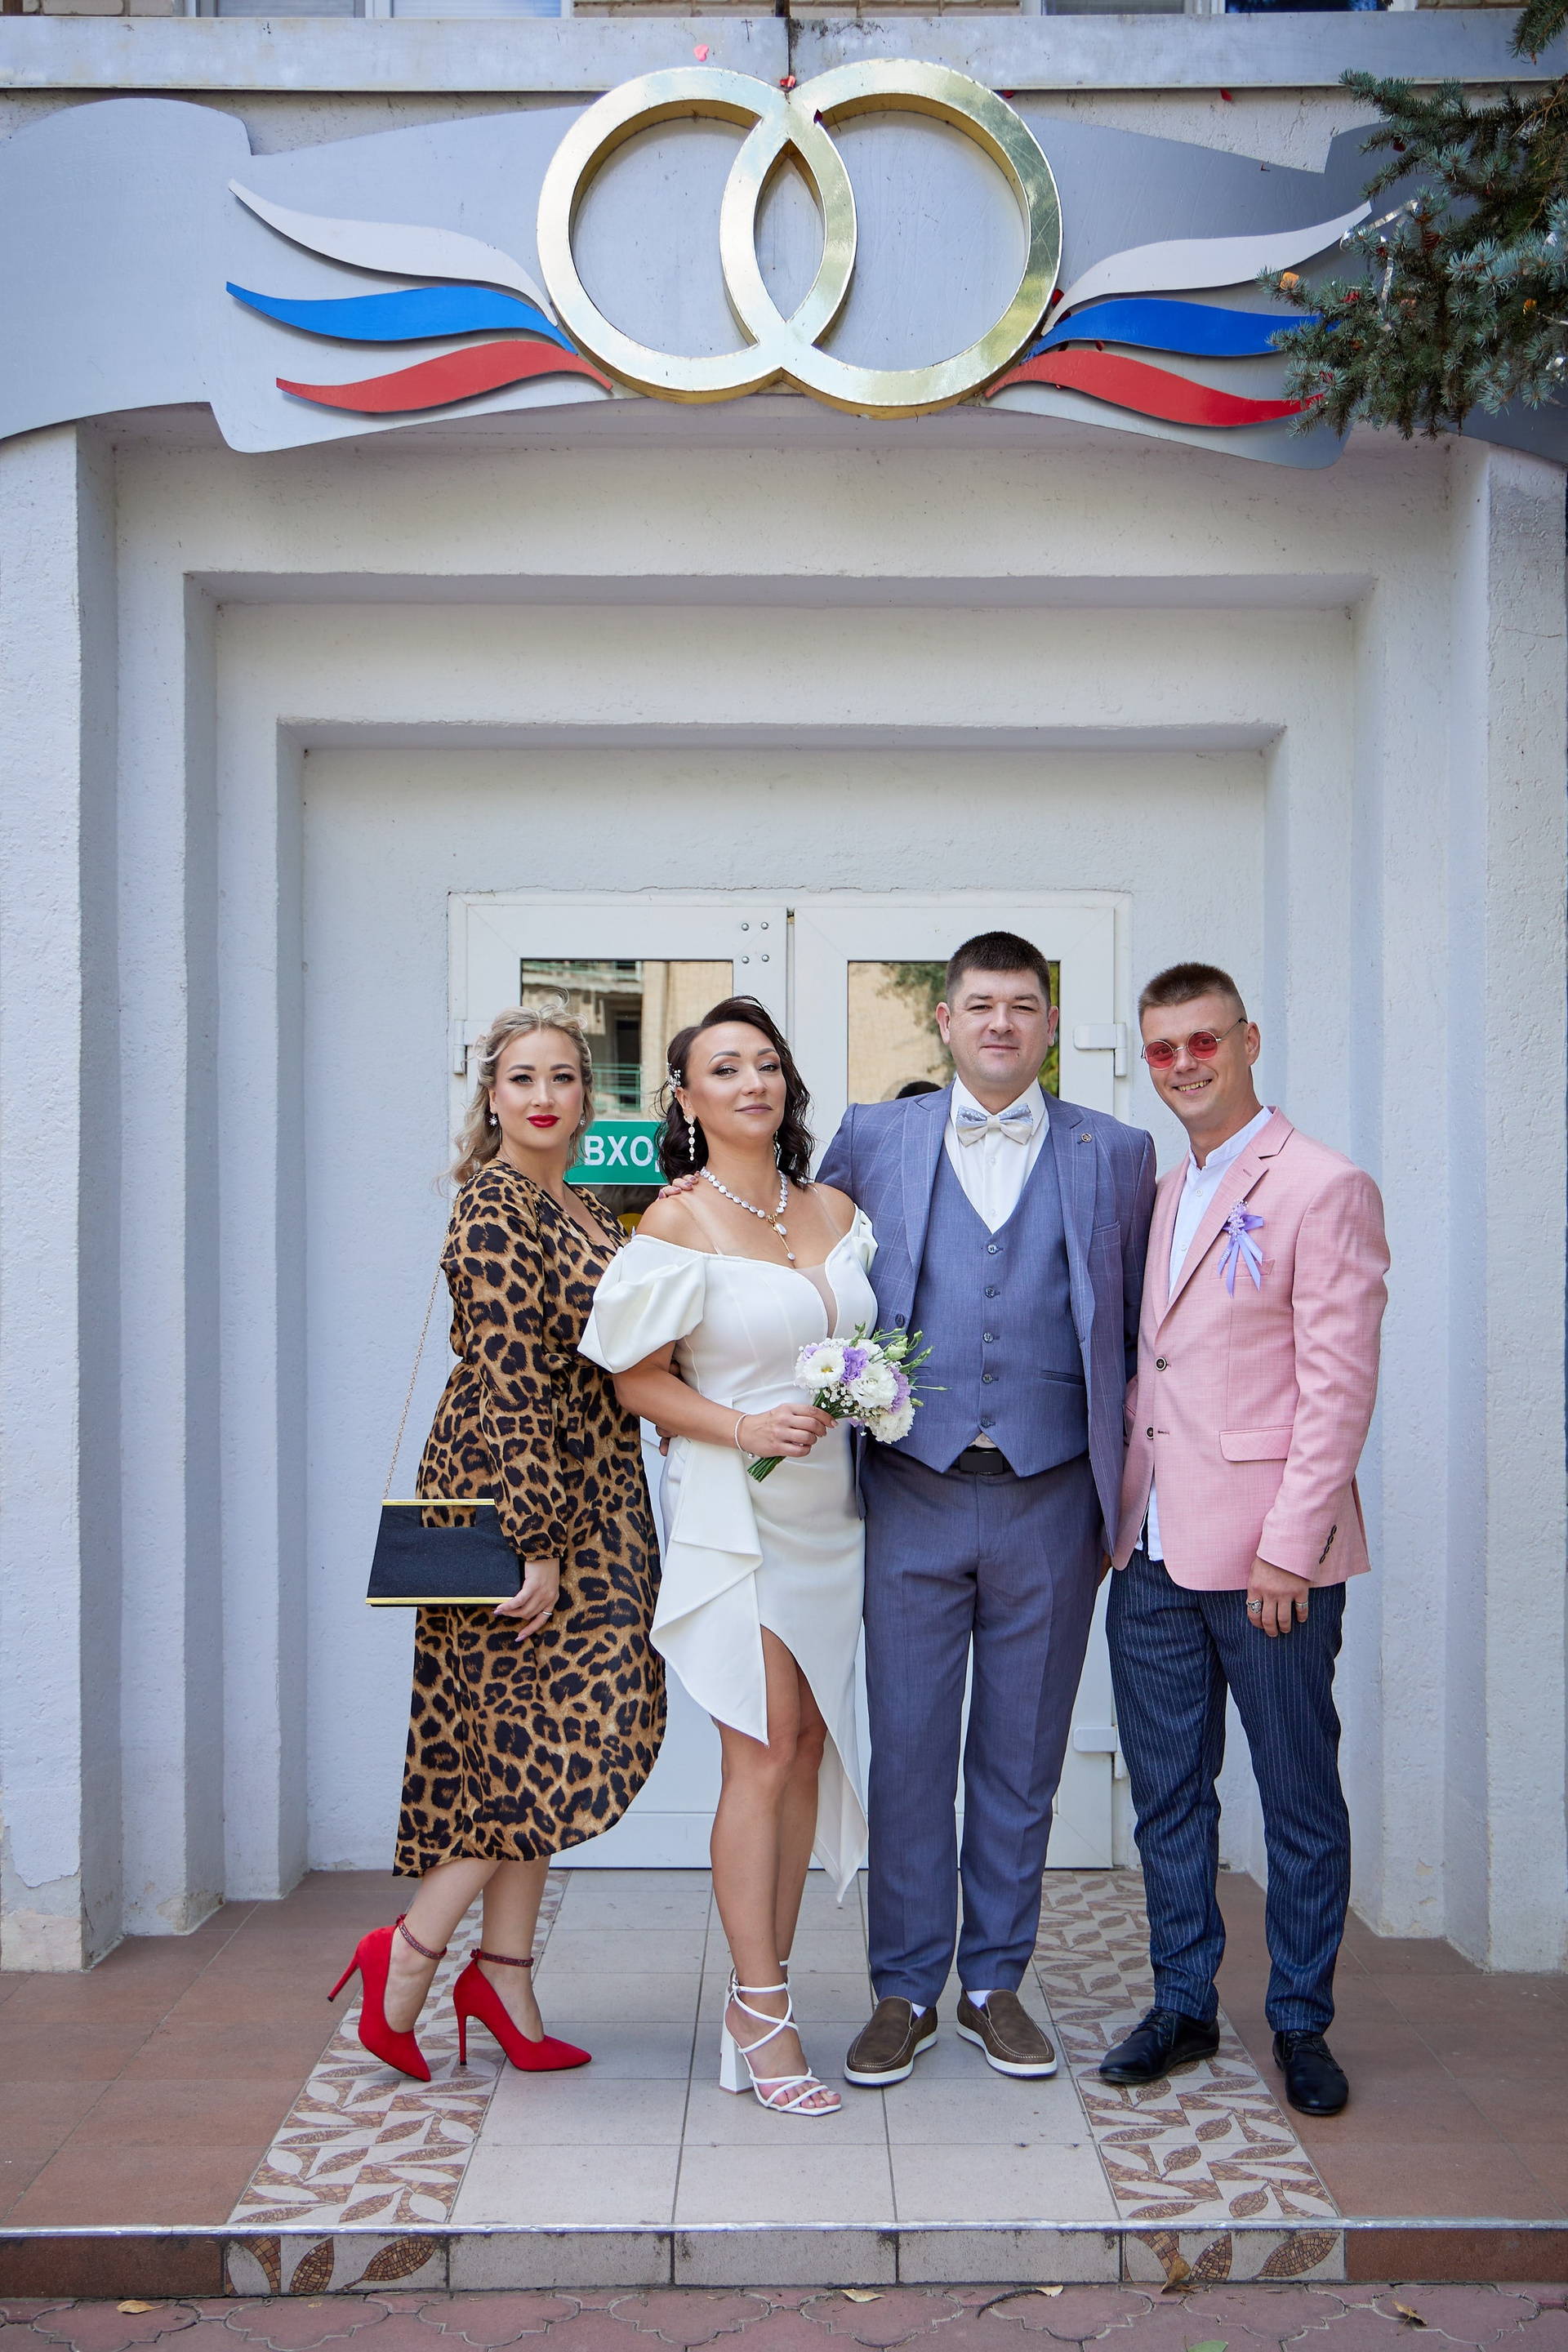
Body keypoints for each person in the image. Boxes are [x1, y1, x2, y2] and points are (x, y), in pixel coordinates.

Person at [817, 933, 1156, 2088]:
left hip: (1051, 1499)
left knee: (1023, 1755)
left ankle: (994, 1985)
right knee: (909, 1749)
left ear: (1050, 1025)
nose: (1001, 1023)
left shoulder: (1118, 1152)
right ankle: (904, 1990)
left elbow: (1137, 1330)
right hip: (910, 1489)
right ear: (947, 1022)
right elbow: (807, 1275)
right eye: (980, 1005)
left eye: (1022, 1005)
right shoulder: (875, 1137)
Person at [329, 1003, 666, 2082]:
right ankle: (409, 1954)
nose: (543, 1096)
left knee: (541, 1752)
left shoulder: (583, 1205)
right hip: (515, 1503)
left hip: (593, 1499)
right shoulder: (493, 1207)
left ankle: (505, 1977)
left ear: (586, 1096)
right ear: (491, 1096)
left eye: (563, 1077)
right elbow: (513, 1380)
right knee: (514, 1754)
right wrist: (536, 1543)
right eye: (522, 1078)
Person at [1103, 962, 1388, 2118]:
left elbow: (1337, 1387)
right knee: (1168, 1796)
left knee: (1297, 1794)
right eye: (1163, 1048)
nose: (1185, 1064)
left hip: (1272, 1561)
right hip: (1151, 1550)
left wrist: (1290, 1546)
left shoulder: (1324, 1184)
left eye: (1204, 1040)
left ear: (1248, 1040)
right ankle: (1184, 2005)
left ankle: (1302, 2021)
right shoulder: (1166, 1190)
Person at [580, 997, 871, 2118]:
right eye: (725, 1068)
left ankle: (766, 1989)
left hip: (832, 1512)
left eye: (766, 1064)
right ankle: (763, 2009)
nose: (752, 1083)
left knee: (805, 1752)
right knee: (759, 1752)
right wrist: (746, 1425)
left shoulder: (834, 1207)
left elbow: (857, 1346)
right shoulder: (677, 1219)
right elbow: (636, 1382)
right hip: (735, 1511)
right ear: (689, 1098)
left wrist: (871, 1392)